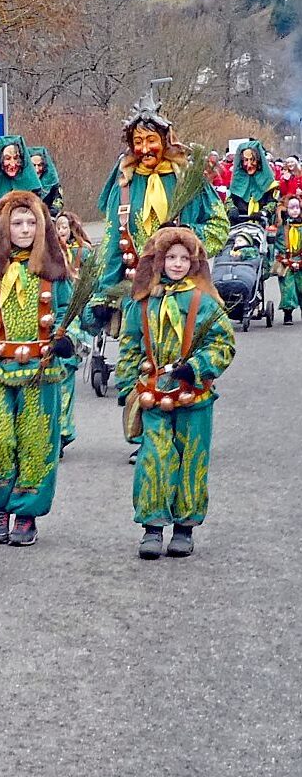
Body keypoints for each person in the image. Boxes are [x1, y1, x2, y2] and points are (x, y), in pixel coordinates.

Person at [0, 192, 73, 547]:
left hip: (41, 372)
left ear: (42, 226)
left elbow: (70, 315)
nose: (24, 229)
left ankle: (26, 513)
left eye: (31, 222)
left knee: (36, 443)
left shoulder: (54, 269)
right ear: (2, 227)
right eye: (17, 223)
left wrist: (68, 340)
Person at [116, 227, 235, 559]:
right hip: (153, 397)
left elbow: (223, 344)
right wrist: (127, 386)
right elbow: (130, 345)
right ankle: (152, 527)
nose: (178, 264)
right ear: (158, 261)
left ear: (194, 263)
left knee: (191, 460)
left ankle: (185, 528)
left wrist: (196, 367)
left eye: (184, 258)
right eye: (171, 257)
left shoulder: (205, 302)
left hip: (193, 398)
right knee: (153, 460)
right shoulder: (143, 303)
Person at [88, 92, 228, 331]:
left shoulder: (188, 179)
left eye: (151, 140)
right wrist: (105, 293)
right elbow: (112, 242)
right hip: (137, 295)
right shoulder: (124, 185)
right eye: (138, 142)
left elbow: (219, 226)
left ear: (165, 140)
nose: (145, 149)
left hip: (185, 291)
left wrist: (185, 235)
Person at [55, 212, 93, 456]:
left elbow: (93, 283)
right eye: (57, 227)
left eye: (64, 226)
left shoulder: (83, 253)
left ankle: (62, 430)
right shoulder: (46, 255)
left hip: (73, 319)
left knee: (65, 376)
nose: (61, 231)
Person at [0, 134, 43, 230]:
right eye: (7, 158)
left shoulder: (33, 185)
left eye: (16, 158)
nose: (12, 164)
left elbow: (40, 216)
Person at [227, 139, 280, 226]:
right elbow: (229, 199)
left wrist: (263, 212)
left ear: (258, 161)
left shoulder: (268, 181)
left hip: (261, 223)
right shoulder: (237, 180)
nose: (249, 164)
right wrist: (231, 209)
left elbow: (273, 202)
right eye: (245, 160)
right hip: (239, 223)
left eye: (252, 160)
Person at [273, 194, 302, 325]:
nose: (295, 210)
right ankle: (288, 314)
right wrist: (284, 259)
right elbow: (278, 244)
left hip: (300, 261)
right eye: (291, 208)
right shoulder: (281, 227)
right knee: (288, 289)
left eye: (297, 207)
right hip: (286, 262)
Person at [28, 146, 64, 217]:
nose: (36, 169)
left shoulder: (53, 183)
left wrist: (48, 213)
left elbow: (58, 201)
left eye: (40, 165)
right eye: (33, 165)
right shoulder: (20, 183)